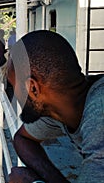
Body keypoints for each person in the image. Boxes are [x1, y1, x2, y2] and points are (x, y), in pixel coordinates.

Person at [6, 30, 104, 183]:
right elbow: (22, 139)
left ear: (32, 88)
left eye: (13, 87)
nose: (14, 96)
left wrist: (34, 182)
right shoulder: (62, 109)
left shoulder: (99, 116)